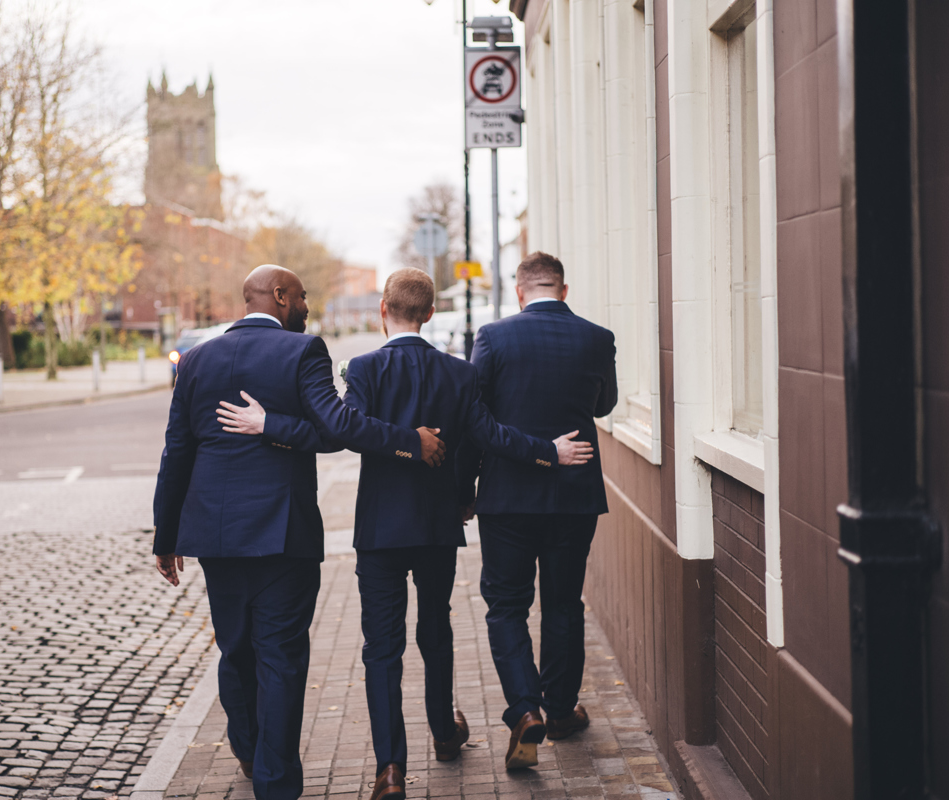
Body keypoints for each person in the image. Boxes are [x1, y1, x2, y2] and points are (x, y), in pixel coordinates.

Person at [217, 268, 594, 799]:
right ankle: (443, 731)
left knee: (382, 649)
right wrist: (549, 451)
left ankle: (390, 768)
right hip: (438, 528)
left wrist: (272, 425)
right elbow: (489, 436)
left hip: (380, 532)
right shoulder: (459, 374)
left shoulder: (366, 370)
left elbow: (342, 430)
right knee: (436, 632)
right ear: (432, 312)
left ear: (382, 310)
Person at [151, 265, 447, 800]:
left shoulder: (195, 361)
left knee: (236, 650)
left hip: (214, 537)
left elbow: (178, 451)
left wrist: (165, 537)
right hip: (282, 535)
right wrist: (410, 441)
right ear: (280, 296)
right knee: (281, 659)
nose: (307, 306)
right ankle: (275, 782)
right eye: (303, 296)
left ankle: (246, 744)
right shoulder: (302, 352)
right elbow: (338, 429)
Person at [457, 252, 618, 770]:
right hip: (574, 495)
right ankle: (563, 710)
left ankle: (526, 710)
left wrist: (467, 486)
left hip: (508, 497)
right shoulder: (597, 337)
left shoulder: (494, 338)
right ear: (563, 290)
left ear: (520, 291)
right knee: (564, 604)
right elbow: (604, 405)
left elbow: (474, 419)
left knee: (506, 606)